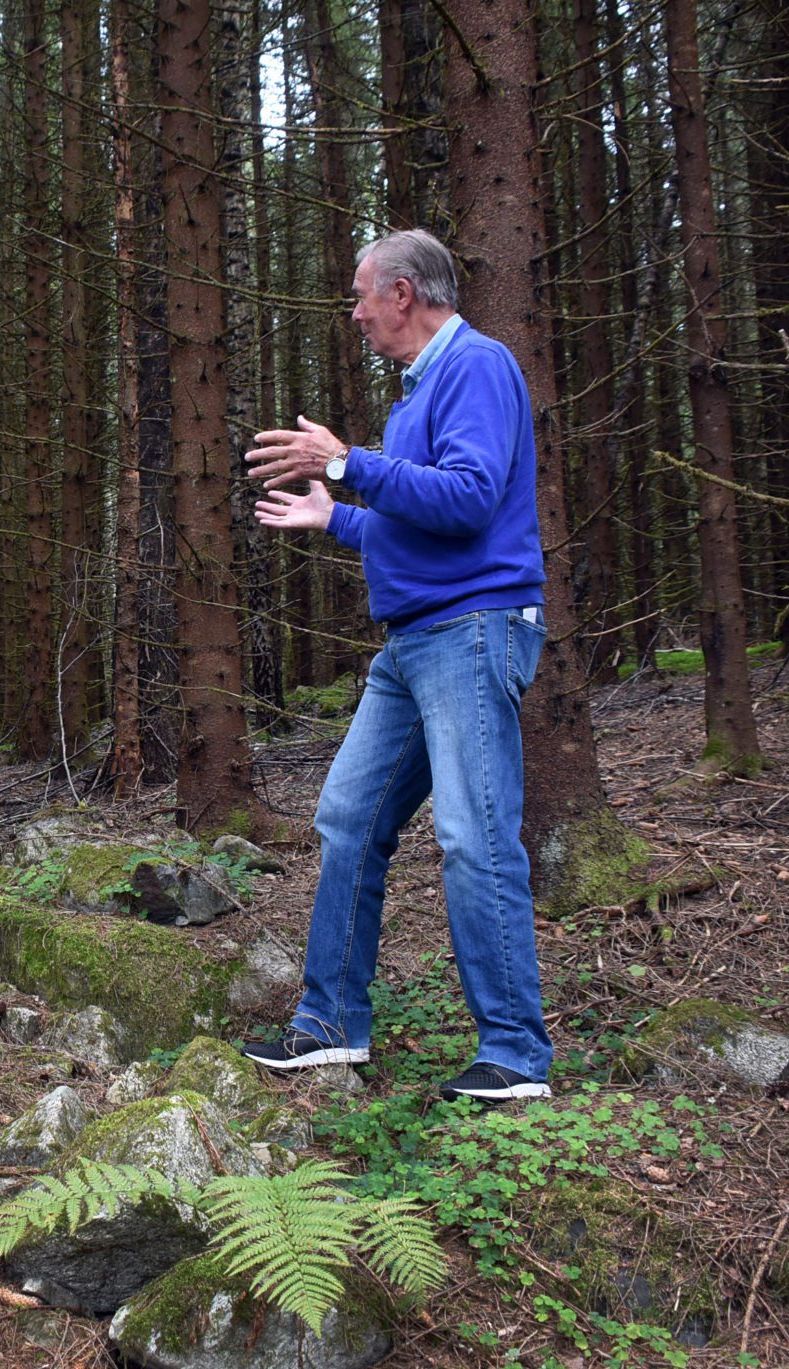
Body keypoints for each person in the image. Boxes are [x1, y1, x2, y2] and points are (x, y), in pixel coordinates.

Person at [241, 228, 554, 1102]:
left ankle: (515, 1055)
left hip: (473, 630)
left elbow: (468, 498)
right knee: (346, 814)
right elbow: (416, 518)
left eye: (361, 295)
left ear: (405, 294)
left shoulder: (477, 368)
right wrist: (332, 513)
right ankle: (330, 1025)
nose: (355, 312)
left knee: (472, 832)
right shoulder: (415, 397)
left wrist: (346, 462)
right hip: (414, 641)